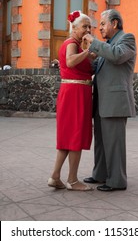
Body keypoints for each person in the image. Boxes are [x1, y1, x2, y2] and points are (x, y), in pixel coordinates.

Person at [83, 9, 137, 191]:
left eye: (103, 24)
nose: (100, 28)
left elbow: (116, 55)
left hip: (115, 102)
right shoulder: (108, 44)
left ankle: (117, 181)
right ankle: (100, 174)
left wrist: (94, 43)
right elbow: (97, 66)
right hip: (102, 101)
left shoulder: (127, 39)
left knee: (114, 143)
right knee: (101, 141)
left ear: (114, 23)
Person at [48, 10, 95, 191]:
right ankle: (73, 180)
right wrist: (89, 51)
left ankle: (55, 176)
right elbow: (70, 61)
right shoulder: (71, 43)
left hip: (73, 91)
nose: (88, 29)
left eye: (89, 26)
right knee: (75, 135)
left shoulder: (78, 44)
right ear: (74, 28)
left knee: (68, 137)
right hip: (75, 92)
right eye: (84, 26)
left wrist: (89, 52)